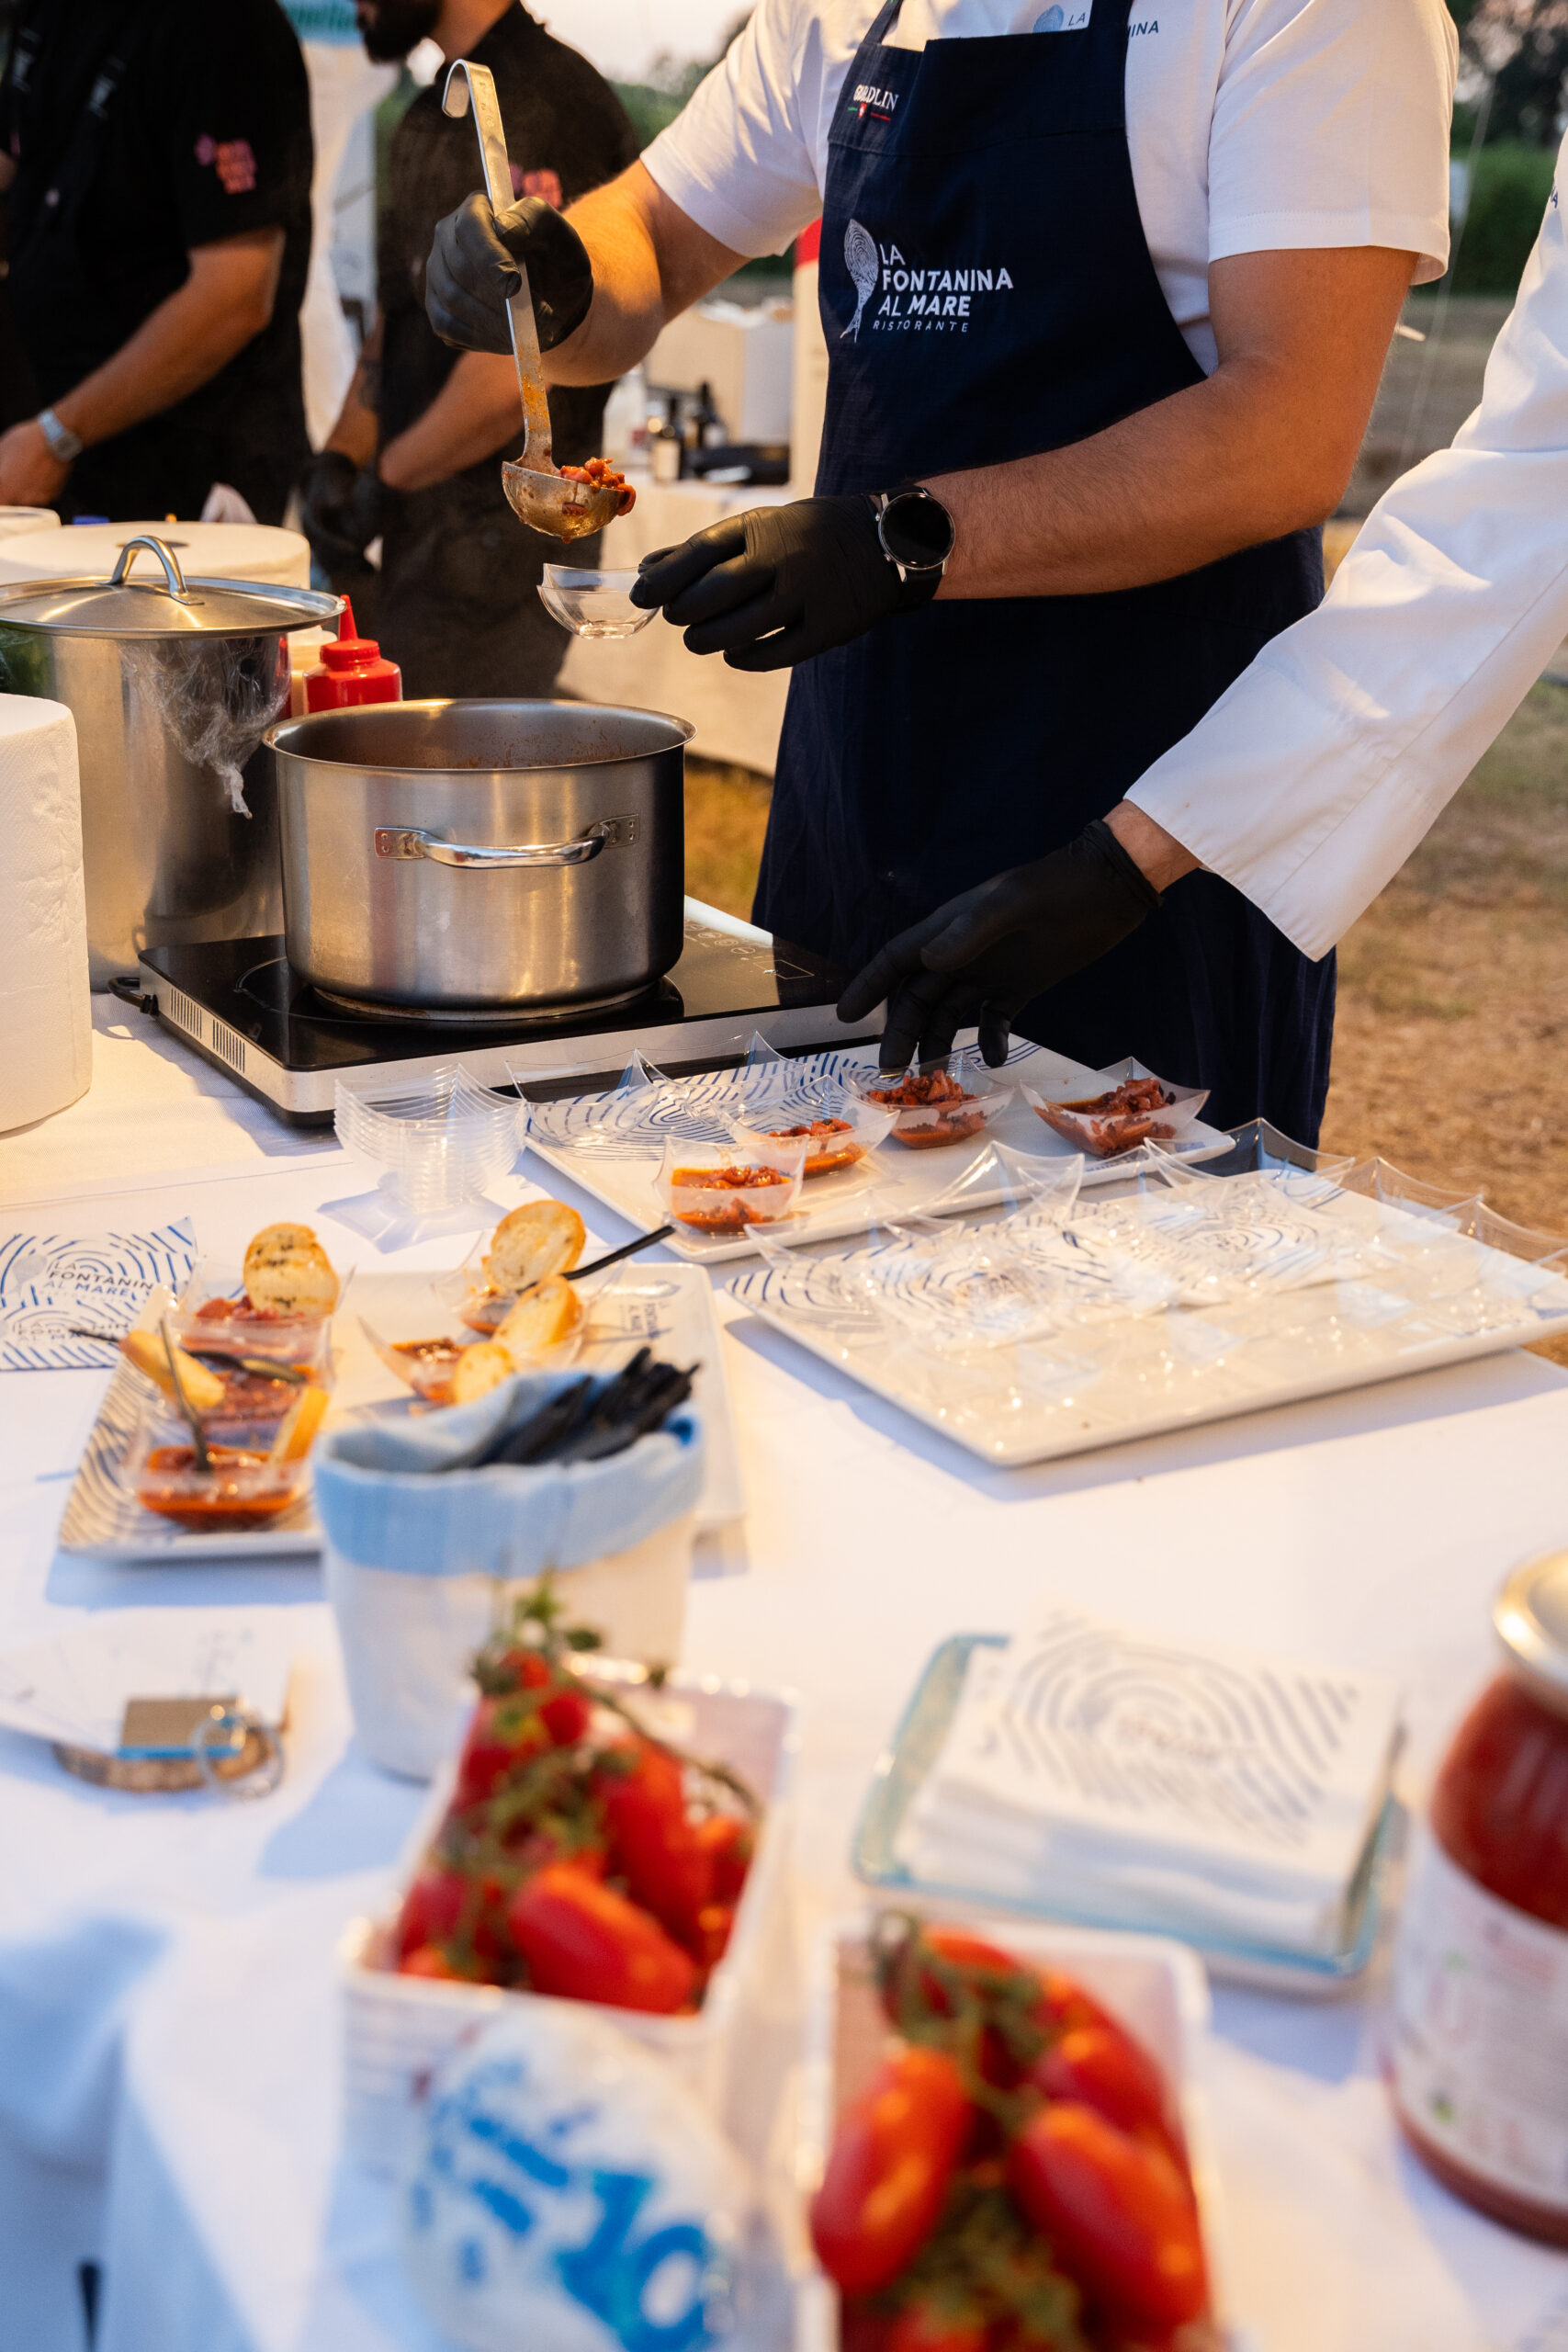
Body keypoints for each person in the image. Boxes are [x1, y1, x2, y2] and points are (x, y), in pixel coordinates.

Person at [423, 0, 1455, 1140]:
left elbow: (1287, 433)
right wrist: (559, 273)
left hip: (1132, 823)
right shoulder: (840, 12)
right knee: (808, 1232)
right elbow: (654, 241)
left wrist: (900, 539)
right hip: (861, 782)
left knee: (1139, 1271)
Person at [299, 0, 637, 697]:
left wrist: (385, 478)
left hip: (504, 547)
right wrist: (340, 459)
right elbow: (398, 318)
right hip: (419, 533)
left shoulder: (556, 102)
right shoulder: (427, 116)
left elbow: (523, 359)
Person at [0, 0, 313, 526]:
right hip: (45, 456)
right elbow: (14, 170)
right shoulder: (51, 12)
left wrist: (57, 435)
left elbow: (234, 295)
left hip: (183, 483)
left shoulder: (227, 28)